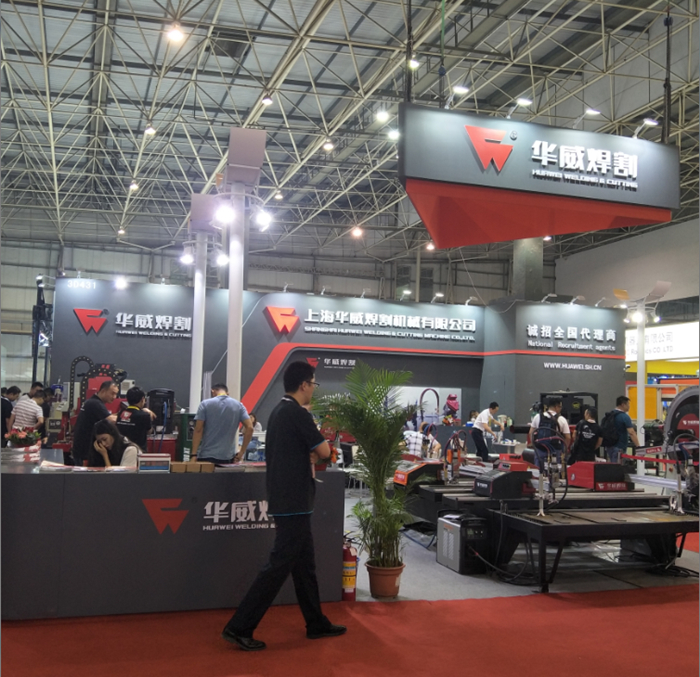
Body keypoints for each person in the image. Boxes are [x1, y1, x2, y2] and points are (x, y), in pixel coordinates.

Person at [222, 361, 346, 651]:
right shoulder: (298, 413)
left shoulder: (278, 411)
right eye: (313, 384)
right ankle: (239, 626)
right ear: (304, 385)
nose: (313, 389)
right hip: (294, 500)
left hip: (285, 497)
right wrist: (317, 452)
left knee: (304, 565)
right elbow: (324, 450)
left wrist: (310, 454)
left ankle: (316, 622)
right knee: (278, 565)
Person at [191, 383, 254, 464]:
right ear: (227, 393)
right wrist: (241, 452)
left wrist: (193, 455)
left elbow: (198, 430)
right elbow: (250, 428)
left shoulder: (205, 404)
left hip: (206, 456)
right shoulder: (239, 406)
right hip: (228, 458)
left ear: (212, 391)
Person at [71, 380, 119, 466]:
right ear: (103, 391)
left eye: (116, 394)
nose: (114, 397)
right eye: (112, 393)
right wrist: (128, 416)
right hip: (85, 452)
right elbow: (112, 420)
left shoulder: (91, 401)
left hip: (80, 449)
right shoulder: (95, 403)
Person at [529, 397, 571, 469]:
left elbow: (531, 433)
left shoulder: (538, 417)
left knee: (538, 471)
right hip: (555, 451)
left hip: (540, 449)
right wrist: (564, 449)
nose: (560, 409)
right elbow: (568, 437)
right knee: (555, 471)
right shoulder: (561, 419)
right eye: (560, 407)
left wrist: (535, 445)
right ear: (556, 407)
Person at [116, 386, 155, 451]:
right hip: (138, 451)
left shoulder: (121, 413)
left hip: (122, 450)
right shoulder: (144, 415)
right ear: (142, 399)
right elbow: (149, 431)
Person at [605, 396, 640, 464]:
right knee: (617, 467)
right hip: (619, 447)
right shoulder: (624, 417)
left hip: (609, 446)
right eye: (628, 404)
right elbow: (631, 432)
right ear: (623, 404)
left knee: (612, 465)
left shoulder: (610, 415)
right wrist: (638, 446)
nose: (629, 406)